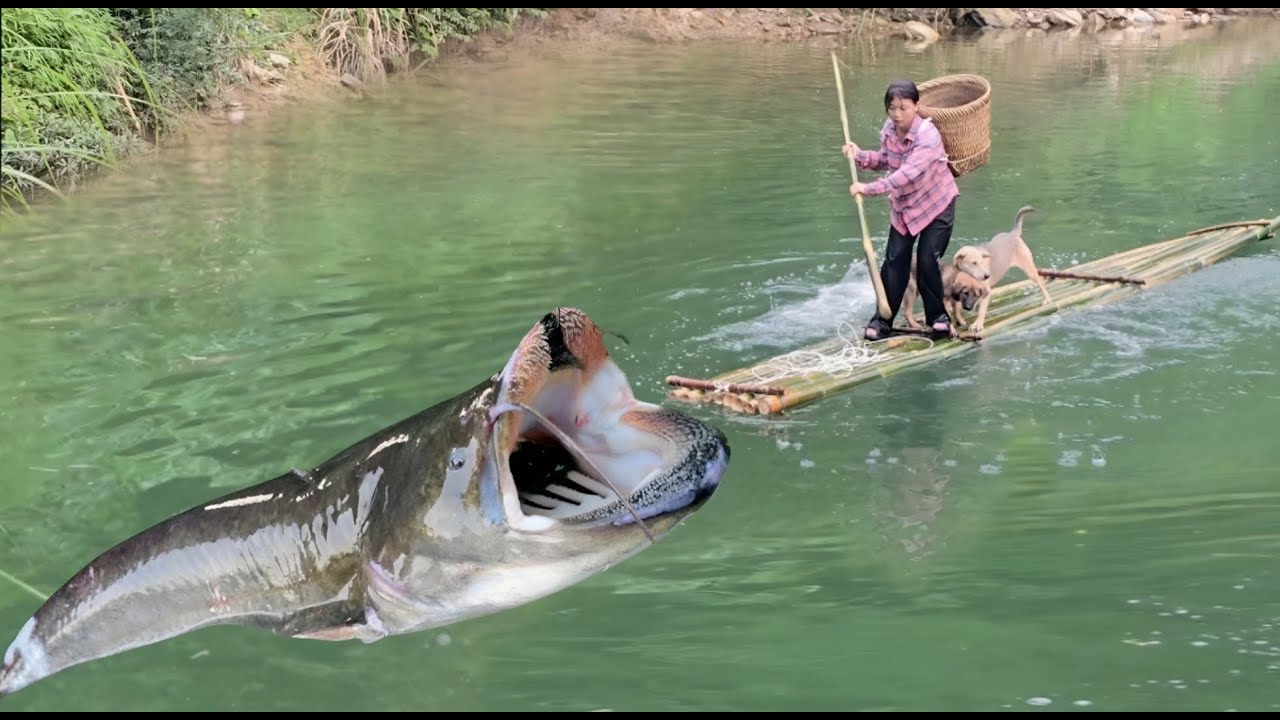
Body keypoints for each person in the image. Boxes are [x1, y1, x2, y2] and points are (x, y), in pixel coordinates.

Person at [842, 79, 960, 341]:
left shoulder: (928, 136)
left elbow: (906, 173)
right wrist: (860, 155)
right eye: (891, 108)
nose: (896, 114)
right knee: (895, 261)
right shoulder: (889, 129)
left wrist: (867, 188)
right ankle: (882, 320)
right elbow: (887, 160)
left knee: (928, 259)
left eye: (903, 108)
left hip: (936, 203)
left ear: (916, 106)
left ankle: (938, 318)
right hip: (905, 206)